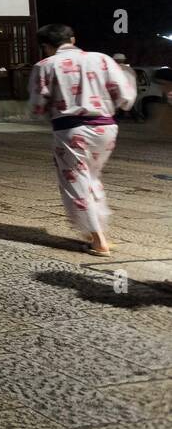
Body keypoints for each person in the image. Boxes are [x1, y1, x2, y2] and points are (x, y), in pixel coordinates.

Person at [28, 24, 136, 256]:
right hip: (105, 127)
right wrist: (114, 107)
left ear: (45, 46)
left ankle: (98, 239)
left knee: (75, 180)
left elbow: (37, 105)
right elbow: (125, 94)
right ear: (73, 39)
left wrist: (48, 112)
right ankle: (97, 228)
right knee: (92, 177)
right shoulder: (102, 59)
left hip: (71, 129)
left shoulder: (45, 66)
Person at [111, 54, 142, 122]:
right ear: (124, 60)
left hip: (121, 90)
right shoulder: (130, 69)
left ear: (114, 60)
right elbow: (136, 80)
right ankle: (137, 119)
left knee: (119, 105)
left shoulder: (114, 68)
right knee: (127, 105)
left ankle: (116, 119)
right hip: (131, 90)